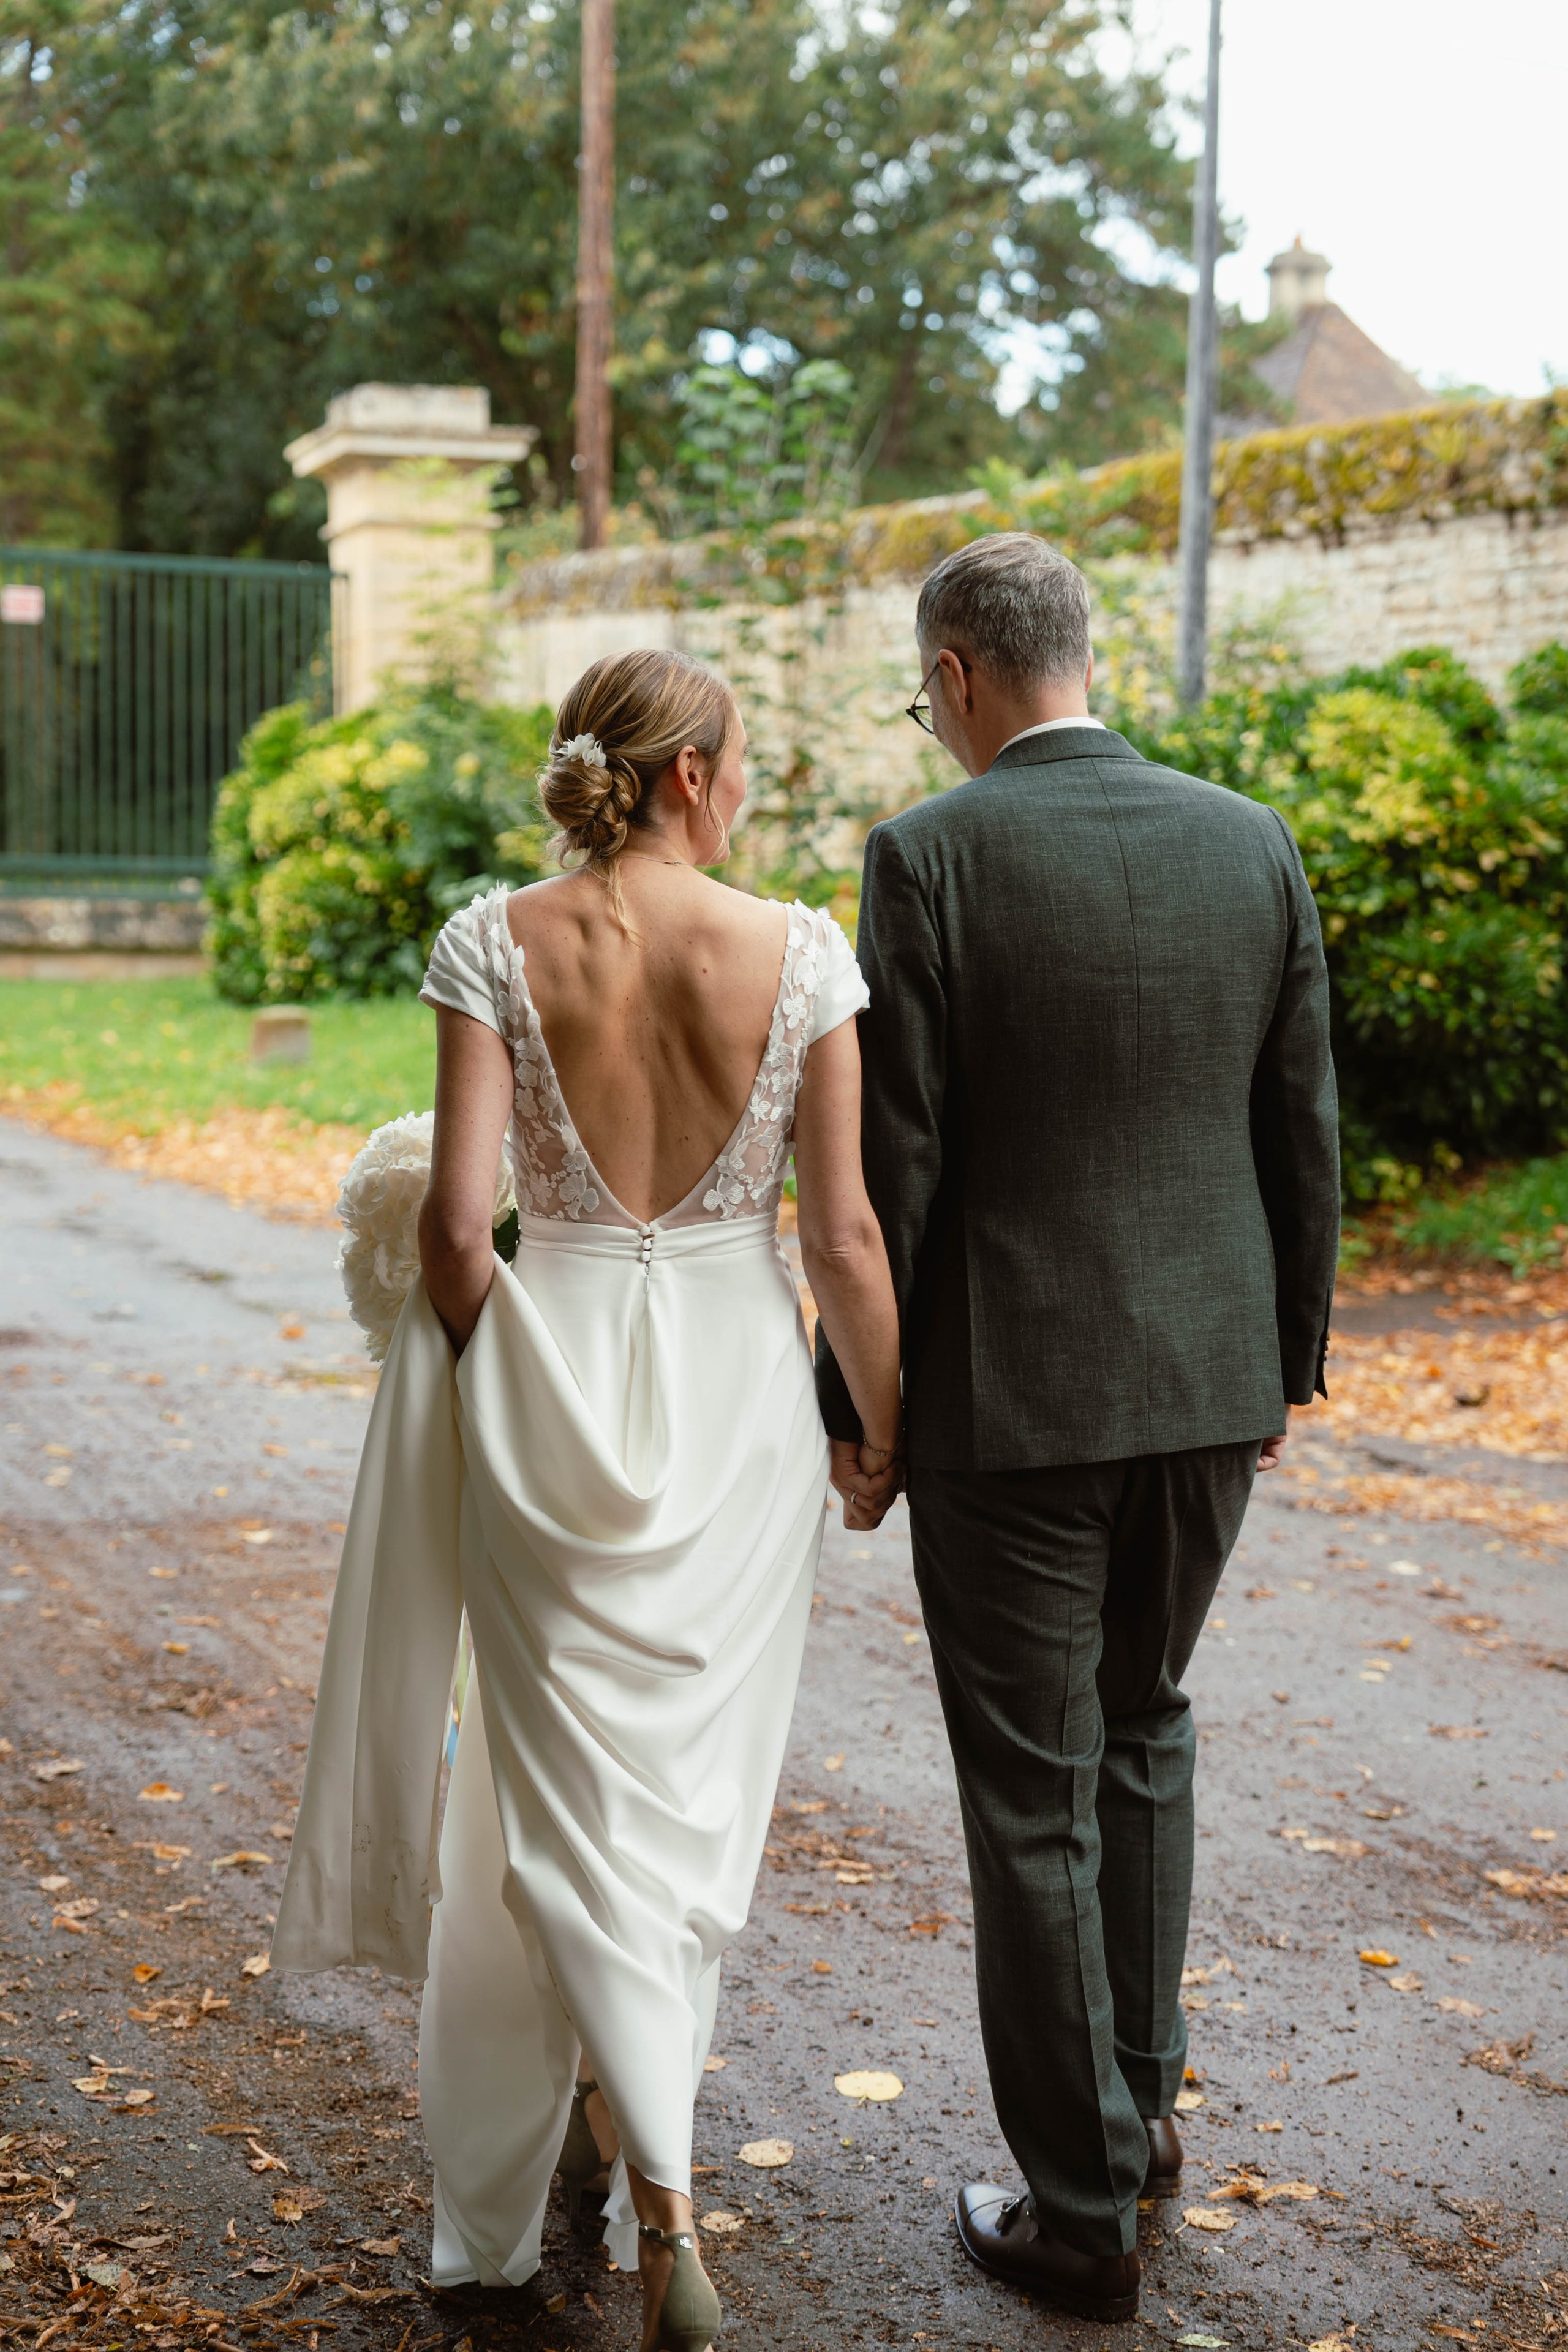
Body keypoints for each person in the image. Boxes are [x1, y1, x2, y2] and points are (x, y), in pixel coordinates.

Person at [273, 649, 902, 2352]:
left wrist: (514, 1393)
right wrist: (881, 1437)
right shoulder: (807, 952)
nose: (753, 783)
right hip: (734, 1407)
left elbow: (456, 1239)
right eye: (746, 757)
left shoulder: (498, 939)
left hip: (548, 1404)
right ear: (692, 771)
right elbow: (842, 1243)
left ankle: (573, 2193)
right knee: (684, 1818)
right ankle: (661, 2201)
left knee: (542, 1807)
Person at [816, 533, 1340, 2326]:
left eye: (922, 692)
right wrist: (1286, 1366)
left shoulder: (928, 856)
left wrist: (860, 1418)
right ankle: (1140, 2118)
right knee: (1146, 1731)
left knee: (1032, 1799)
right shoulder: (1251, 841)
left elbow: (893, 1171)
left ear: (959, 673)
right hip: (1207, 1388)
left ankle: (1078, 2211)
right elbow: (1302, 1125)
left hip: (1011, 1407)